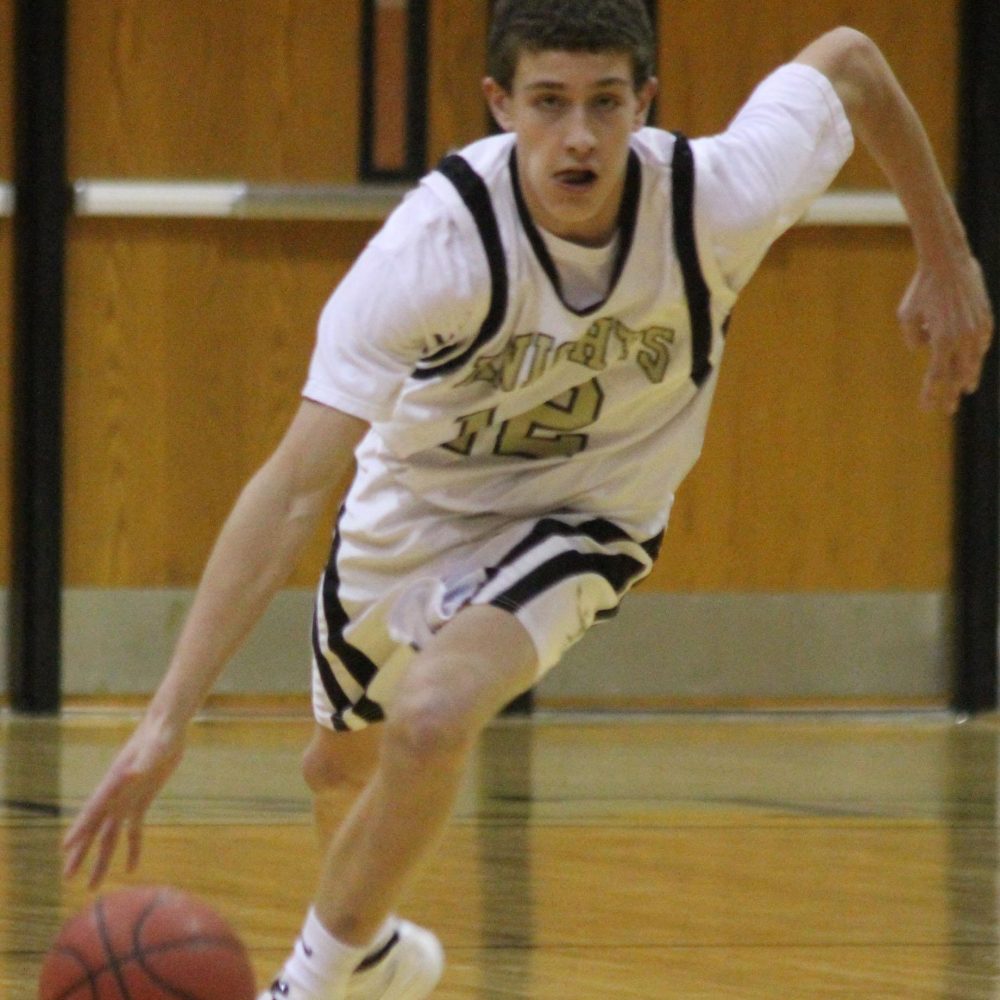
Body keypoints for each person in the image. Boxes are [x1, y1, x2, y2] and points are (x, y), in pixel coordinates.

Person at [62, 1, 993, 998]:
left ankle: (311, 980)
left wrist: (946, 255)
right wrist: (165, 721)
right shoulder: (435, 247)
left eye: (605, 101)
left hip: (589, 514)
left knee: (432, 717)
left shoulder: (714, 196)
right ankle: (369, 951)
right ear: (500, 103)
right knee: (339, 770)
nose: (580, 135)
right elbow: (294, 487)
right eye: (549, 102)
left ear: (647, 99)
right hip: (413, 510)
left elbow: (851, 61)